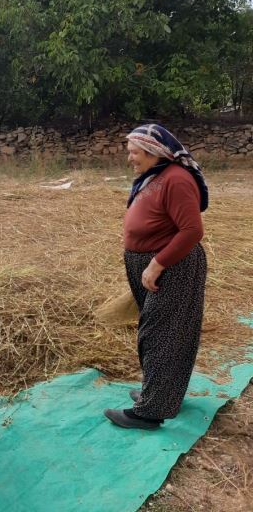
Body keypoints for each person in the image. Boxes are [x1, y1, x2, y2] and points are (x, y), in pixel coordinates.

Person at [104, 124, 209, 430]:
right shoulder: (156, 176)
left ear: (153, 152)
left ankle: (150, 412)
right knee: (163, 334)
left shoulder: (176, 179)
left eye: (134, 152)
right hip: (152, 266)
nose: (129, 158)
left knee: (160, 335)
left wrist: (157, 263)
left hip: (173, 268)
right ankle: (161, 395)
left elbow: (192, 231)